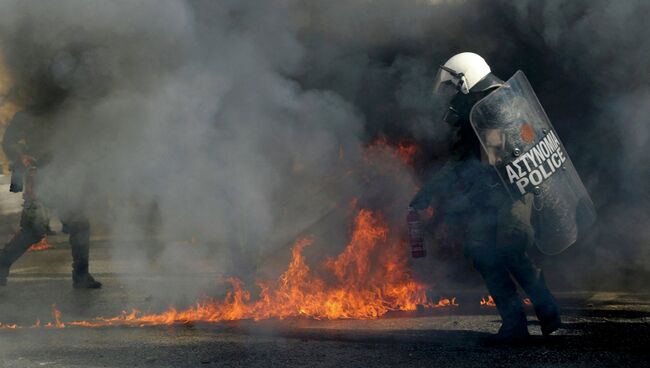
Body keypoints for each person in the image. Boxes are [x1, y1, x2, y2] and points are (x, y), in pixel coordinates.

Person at [409, 52, 562, 340]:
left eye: (453, 87)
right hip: (489, 196)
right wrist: (428, 193)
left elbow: (502, 156)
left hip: (515, 194)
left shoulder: (501, 103)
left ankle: (549, 314)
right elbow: (461, 162)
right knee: (482, 254)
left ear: (466, 80)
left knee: (512, 252)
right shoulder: (473, 109)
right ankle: (514, 325)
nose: (450, 94)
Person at [0, 78, 101, 289]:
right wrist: (22, 157)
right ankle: (80, 276)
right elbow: (9, 142)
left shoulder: (54, 115)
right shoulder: (37, 116)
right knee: (40, 228)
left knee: (60, 226)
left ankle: (81, 275)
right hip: (44, 178)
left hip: (61, 178)